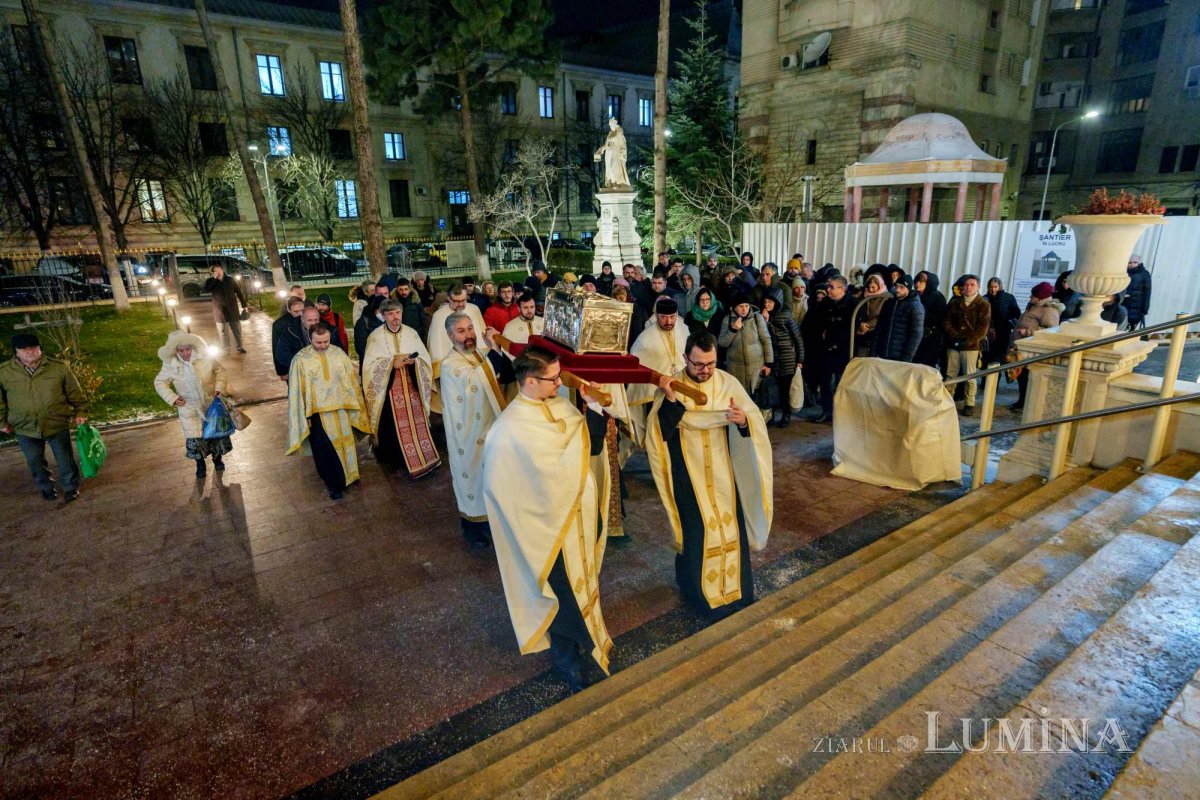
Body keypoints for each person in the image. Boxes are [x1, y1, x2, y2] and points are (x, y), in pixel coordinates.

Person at [483, 346, 615, 692]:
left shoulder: (559, 405)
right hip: (546, 534)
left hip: (579, 526)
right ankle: (567, 660)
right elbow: (504, 493)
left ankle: (586, 643)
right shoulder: (507, 431)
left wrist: (595, 408)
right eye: (553, 378)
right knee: (561, 597)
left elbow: (592, 447)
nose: (561, 383)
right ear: (530, 381)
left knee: (584, 588)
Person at [646, 332, 773, 621]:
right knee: (698, 533)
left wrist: (743, 421)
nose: (705, 370)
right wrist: (669, 399)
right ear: (685, 359)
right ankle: (699, 594)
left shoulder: (728, 383)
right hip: (688, 475)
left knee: (729, 530)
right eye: (698, 364)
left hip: (724, 473)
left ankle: (736, 594)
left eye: (711, 364)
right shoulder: (672, 385)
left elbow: (752, 420)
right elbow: (657, 435)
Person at [441, 315, 515, 548]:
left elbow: (502, 372)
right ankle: (473, 530)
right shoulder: (450, 364)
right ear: (451, 336)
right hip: (468, 435)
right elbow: (476, 381)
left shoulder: (477, 354)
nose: (469, 334)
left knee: (491, 476)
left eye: (471, 328)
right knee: (472, 478)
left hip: (488, 428)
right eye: (461, 331)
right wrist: (493, 350)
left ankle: (491, 523)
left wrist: (495, 349)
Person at [286, 323, 370, 500]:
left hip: (341, 408)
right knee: (326, 450)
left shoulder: (338, 353)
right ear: (310, 339)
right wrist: (305, 415)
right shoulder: (300, 359)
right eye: (318, 343)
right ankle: (334, 484)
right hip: (317, 414)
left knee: (346, 443)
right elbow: (297, 391)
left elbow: (350, 379)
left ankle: (350, 475)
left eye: (326, 341)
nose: (323, 346)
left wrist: (354, 401)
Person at [0, 332, 87, 502]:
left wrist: (81, 411)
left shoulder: (58, 367)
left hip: (56, 421)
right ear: (16, 351)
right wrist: (1, 421)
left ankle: (70, 487)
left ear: (40, 348)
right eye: (24, 349)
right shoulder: (4, 372)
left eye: (33, 347)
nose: (30, 351)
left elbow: (74, 392)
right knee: (34, 461)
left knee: (64, 457)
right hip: (24, 425)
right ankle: (46, 487)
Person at [362, 300, 440, 479]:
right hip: (389, 391)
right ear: (383, 315)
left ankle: (425, 457)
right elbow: (369, 367)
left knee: (417, 420)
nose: (395, 317)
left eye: (397, 313)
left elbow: (424, 358)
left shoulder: (411, 334)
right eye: (390, 314)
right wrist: (391, 364)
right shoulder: (375, 337)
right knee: (392, 426)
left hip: (412, 386)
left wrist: (416, 362)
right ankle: (399, 461)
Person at [154, 331, 230, 478]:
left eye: (188, 349)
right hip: (189, 408)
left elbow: (220, 371)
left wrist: (219, 388)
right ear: (175, 351)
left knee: (214, 434)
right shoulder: (170, 364)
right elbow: (159, 382)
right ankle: (200, 464)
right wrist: (173, 398)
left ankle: (217, 459)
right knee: (195, 437)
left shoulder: (204, 358)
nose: (185, 353)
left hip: (210, 405)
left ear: (193, 347)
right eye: (181, 350)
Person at [628, 297, 690, 443]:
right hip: (656, 396)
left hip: (681, 390)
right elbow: (637, 368)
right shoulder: (645, 339)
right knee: (658, 436)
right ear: (656, 316)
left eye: (672, 317)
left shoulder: (684, 330)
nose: (669, 322)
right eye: (664, 317)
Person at [427, 285, 487, 412]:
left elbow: (482, 338)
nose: (461, 304)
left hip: (475, 364)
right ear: (448, 299)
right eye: (456, 301)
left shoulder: (474, 309)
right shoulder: (439, 316)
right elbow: (436, 346)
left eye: (464, 300)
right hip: (452, 370)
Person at [943, 274, 991, 416]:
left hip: (971, 345)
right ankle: (947, 399)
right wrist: (954, 336)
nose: (968, 287)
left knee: (969, 375)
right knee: (950, 374)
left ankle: (969, 402)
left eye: (972, 285)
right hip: (954, 343)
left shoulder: (983, 304)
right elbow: (946, 321)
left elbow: (983, 328)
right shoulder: (955, 302)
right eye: (966, 284)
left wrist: (968, 340)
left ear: (978, 287)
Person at [1010, 281, 1063, 411]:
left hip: (1031, 349)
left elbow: (1052, 331)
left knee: (1027, 378)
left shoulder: (1048, 310)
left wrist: (1027, 332)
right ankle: (1022, 401)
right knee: (1021, 376)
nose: (1030, 298)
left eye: (1032, 295)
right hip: (1022, 346)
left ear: (1039, 297)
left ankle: (1026, 404)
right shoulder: (1034, 306)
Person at [813, 276, 856, 423]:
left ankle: (842, 414)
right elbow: (817, 322)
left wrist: (839, 341)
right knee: (825, 380)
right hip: (827, 348)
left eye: (832, 287)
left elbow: (852, 328)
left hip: (844, 350)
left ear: (842, 289)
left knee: (841, 383)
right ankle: (827, 411)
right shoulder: (825, 303)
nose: (828, 290)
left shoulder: (852, 304)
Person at [762, 287, 804, 428]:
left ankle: (786, 415)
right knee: (773, 389)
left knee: (785, 389)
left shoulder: (786, 316)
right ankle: (772, 415)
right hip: (773, 358)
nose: (767, 304)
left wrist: (800, 359)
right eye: (765, 301)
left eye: (770, 302)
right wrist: (765, 322)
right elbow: (765, 337)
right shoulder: (764, 316)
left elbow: (797, 338)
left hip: (787, 358)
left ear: (777, 302)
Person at [718, 295, 773, 402]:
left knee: (757, 399)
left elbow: (766, 340)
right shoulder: (727, 319)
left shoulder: (757, 318)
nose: (744, 309)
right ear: (734, 308)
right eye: (741, 306)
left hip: (756, 368)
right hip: (736, 369)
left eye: (747, 306)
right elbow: (722, 343)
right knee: (739, 400)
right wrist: (733, 330)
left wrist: (768, 364)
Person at [871, 275, 925, 363]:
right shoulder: (889, 303)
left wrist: (906, 358)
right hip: (883, 355)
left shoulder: (915, 307)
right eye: (896, 286)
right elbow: (879, 328)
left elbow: (916, 335)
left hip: (900, 357)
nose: (897, 289)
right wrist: (873, 353)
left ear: (908, 289)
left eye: (902, 287)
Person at [203, 264, 249, 353]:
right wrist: (214, 279)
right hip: (219, 310)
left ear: (222, 270)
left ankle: (239, 347)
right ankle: (225, 349)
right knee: (223, 332)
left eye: (219, 270)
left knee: (237, 330)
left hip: (232, 309)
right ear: (213, 273)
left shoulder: (230, 280)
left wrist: (244, 304)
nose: (218, 272)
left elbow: (238, 292)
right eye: (215, 271)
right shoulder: (211, 281)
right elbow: (207, 289)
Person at [913, 270, 947, 370]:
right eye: (917, 281)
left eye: (921, 282)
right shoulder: (913, 295)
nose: (917, 284)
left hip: (930, 338)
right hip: (914, 336)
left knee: (926, 367)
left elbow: (940, 318)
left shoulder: (937, 297)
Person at [984, 278, 1021, 367]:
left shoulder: (1008, 298)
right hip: (988, 335)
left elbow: (1016, 313)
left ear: (1000, 286)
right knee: (986, 359)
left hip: (1003, 334)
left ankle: (995, 380)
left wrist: (1008, 324)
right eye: (991, 287)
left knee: (998, 360)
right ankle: (985, 380)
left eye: (995, 287)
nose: (993, 289)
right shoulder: (985, 299)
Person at [853, 273, 889, 358]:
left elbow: (883, 317)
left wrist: (868, 325)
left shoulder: (885, 298)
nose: (871, 290)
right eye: (869, 287)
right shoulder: (863, 297)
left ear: (879, 286)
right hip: (862, 335)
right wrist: (860, 324)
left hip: (876, 335)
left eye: (873, 287)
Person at [272, 296, 306, 381]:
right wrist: (282, 372)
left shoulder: (309, 319)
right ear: (289, 310)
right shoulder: (279, 324)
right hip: (290, 366)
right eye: (296, 311)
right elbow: (276, 349)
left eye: (302, 310)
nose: (300, 314)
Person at [610, 285, 648, 352]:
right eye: (616, 299)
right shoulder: (612, 310)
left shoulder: (637, 310)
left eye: (621, 298)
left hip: (632, 346)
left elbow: (636, 332)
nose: (618, 301)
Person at [1123, 255, 1151, 329]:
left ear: (1139, 263)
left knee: (1131, 328)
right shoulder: (1123, 273)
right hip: (1123, 305)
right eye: (1130, 262)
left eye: (1135, 262)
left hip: (1137, 307)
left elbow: (1147, 293)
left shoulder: (1145, 274)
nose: (1132, 264)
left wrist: (1145, 309)